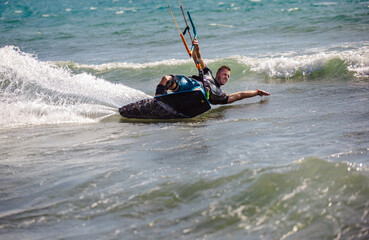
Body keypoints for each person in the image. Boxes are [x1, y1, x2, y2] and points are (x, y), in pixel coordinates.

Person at [155, 39, 270, 104]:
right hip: (188, 83)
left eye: (228, 76)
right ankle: (159, 103)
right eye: (225, 74)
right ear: (218, 74)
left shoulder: (220, 95)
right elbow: (198, 59)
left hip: (197, 94)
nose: (226, 77)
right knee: (166, 79)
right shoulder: (207, 73)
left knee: (197, 92)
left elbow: (240, 95)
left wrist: (257, 92)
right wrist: (197, 48)